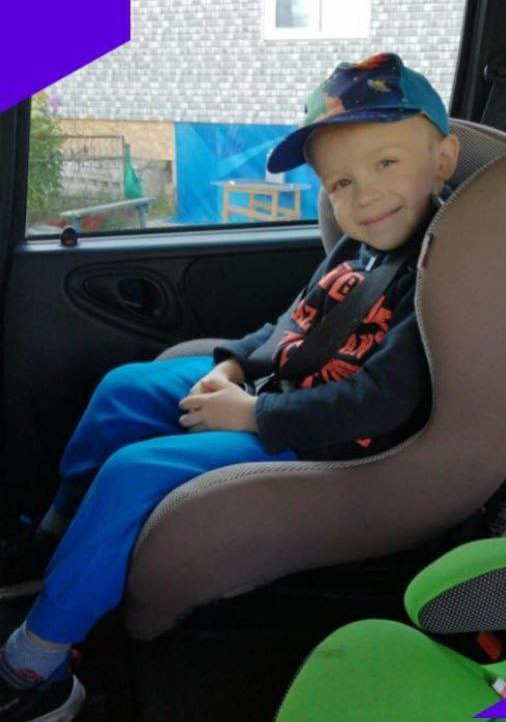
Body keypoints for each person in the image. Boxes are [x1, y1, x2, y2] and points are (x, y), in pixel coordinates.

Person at [0, 52, 459, 720]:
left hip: (325, 440)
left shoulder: (443, 272)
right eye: (339, 182)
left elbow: (380, 402)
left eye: (387, 163)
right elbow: (292, 323)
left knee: (134, 471)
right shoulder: (355, 247)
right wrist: (234, 365)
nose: (363, 195)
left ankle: (37, 665)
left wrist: (252, 414)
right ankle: (58, 531)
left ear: (443, 159)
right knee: (125, 388)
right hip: (279, 388)